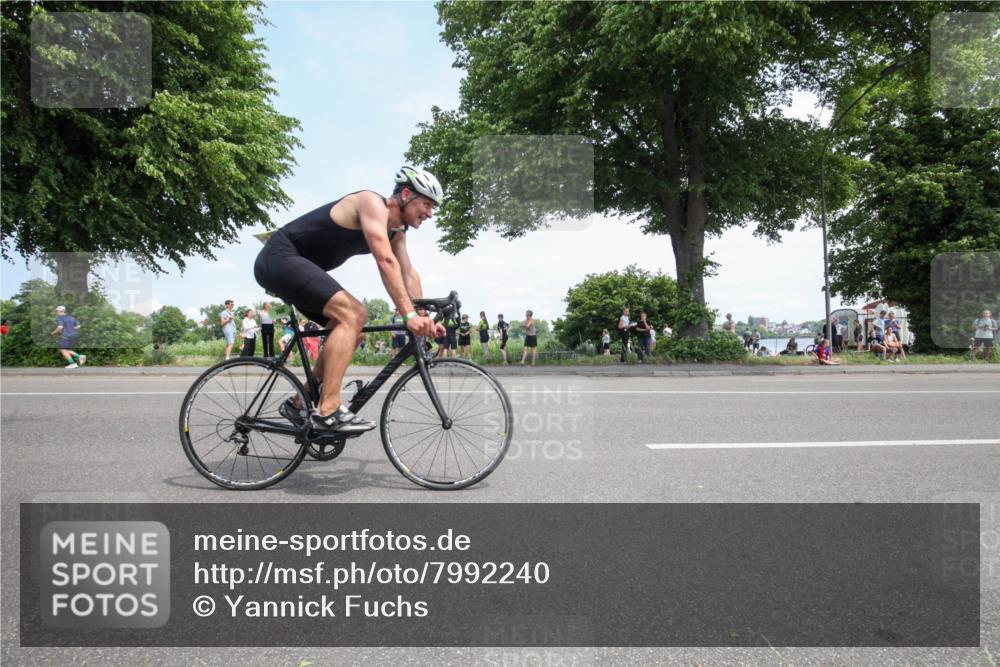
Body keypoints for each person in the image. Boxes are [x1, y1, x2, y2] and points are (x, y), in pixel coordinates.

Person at [254, 165, 445, 432]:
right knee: (354, 313)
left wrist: (424, 318)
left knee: (355, 331)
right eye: (426, 204)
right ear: (405, 194)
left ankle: (299, 403)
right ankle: (327, 410)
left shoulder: (397, 232)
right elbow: (385, 261)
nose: (429, 213)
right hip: (279, 257)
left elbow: (407, 272)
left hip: (298, 268)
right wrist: (408, 315)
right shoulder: (371, 203)